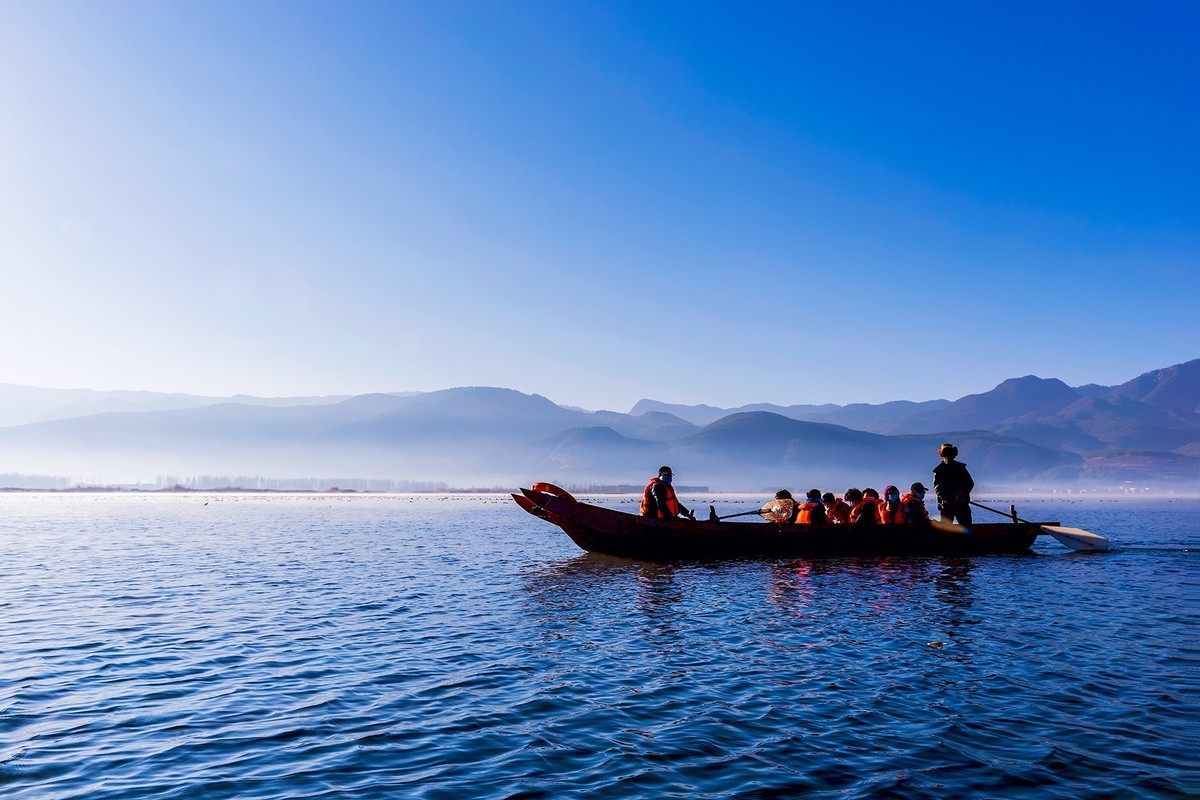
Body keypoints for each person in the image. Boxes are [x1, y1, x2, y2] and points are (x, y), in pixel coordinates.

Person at [933, 443, 975, 525]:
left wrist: (961, 494)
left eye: (949, 455)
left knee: (967, 528)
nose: (947, 457)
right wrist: (950, 499)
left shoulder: (961, 468)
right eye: (945, 455)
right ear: (942, 456)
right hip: (946, 506)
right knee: (946, 531)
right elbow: (938, 489)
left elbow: (970, 483)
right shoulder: (938, 471)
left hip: (961, 504)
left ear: (953, 455)